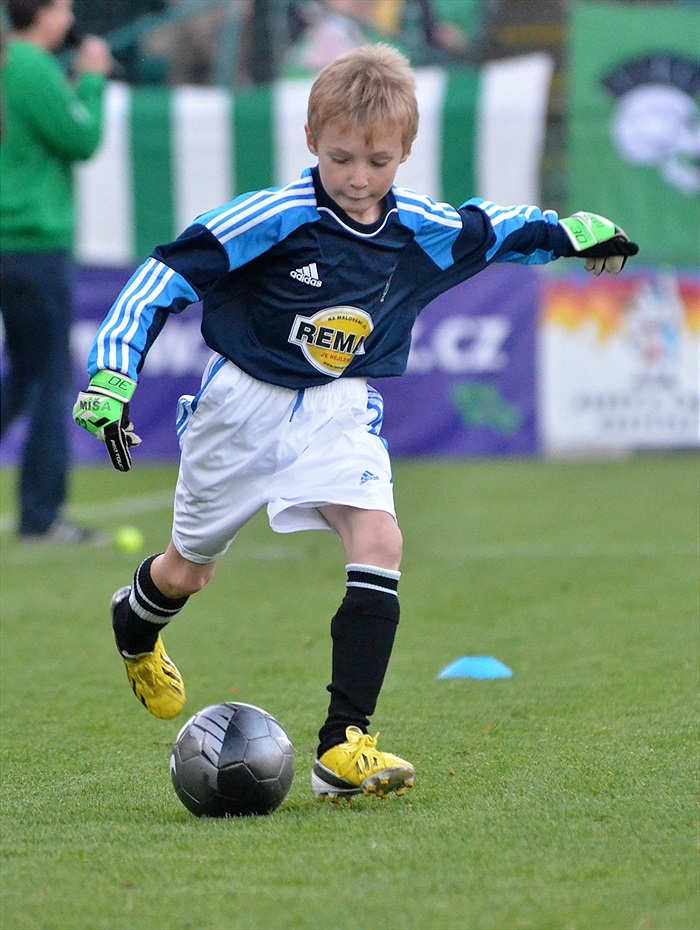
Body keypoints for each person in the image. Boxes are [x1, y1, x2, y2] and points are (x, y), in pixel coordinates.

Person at [72, 44, 638, 801]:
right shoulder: (273, 216)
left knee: (380, 540)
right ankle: (136, 625)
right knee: (189, 571)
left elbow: (495, 228)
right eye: (341, 158)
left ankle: (343, 747)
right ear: (312, 140)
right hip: (238, 408)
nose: (360, 178)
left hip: (337, 406)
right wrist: (111, 377)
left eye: (378, 161)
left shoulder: (418, 226)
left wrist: (572, 232)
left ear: (405, 152)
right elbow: (160, 278)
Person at [0, 0, 114, 542]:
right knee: (49, 378)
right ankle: (41, 516)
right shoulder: (31, 64)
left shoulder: (12, 62)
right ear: (42, 13)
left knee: (24, 375)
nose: (70, 18)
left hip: (8, 244)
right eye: (63, 7)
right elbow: (80, 139)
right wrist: (91, 81)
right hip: (33, 243)